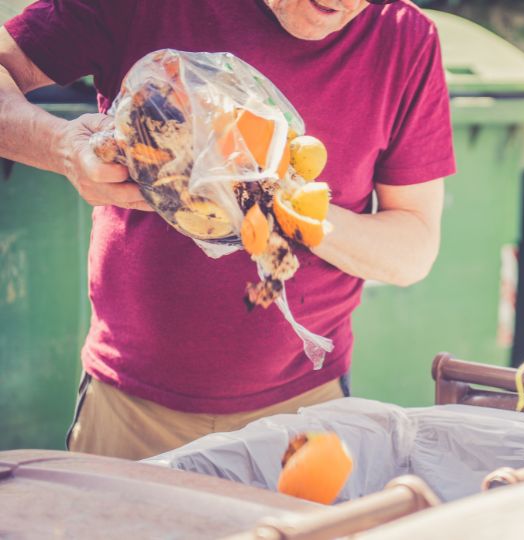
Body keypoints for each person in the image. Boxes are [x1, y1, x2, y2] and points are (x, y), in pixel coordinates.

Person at [0, 0, 455, 460]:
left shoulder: (404, 37)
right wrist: (60, 147)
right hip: (130, 410)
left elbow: (413, 247)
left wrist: (285, 205)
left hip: (306, 416)